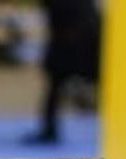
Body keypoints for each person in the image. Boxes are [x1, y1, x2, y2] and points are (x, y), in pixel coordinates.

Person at [25, 0, 102, 143]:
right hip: (80, 38)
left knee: (56, 84)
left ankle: (49, 129)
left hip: (77, 40)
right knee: (56, 84)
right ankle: (49, 129)